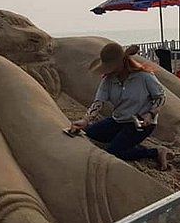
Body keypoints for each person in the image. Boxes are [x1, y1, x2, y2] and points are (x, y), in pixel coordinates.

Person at [71, 42, 171, 170]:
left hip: (140, 122)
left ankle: (155, 152)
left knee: (114, 152)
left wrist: (150, 114)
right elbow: (98, 102)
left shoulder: (143, 77)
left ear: (122, 62)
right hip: (118, 120)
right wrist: (85, 120)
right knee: (87, 134)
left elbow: (161, 97)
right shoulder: (108, 81)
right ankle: (126, 143)